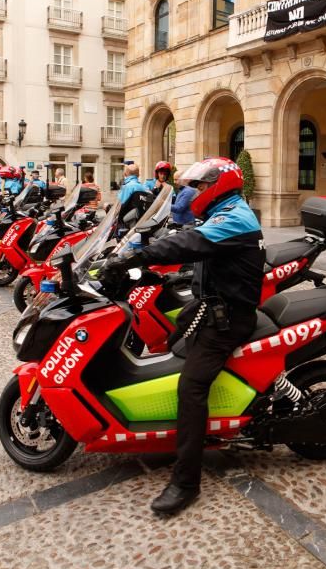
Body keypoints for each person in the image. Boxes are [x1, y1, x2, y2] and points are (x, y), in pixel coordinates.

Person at [102, 157, 265, 515]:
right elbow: (195, 248)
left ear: (219, 186)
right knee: (169, 343)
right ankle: (167, 432)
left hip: (228, 319)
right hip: (209, 306)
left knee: (190, 388)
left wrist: (134, 259)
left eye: (201, 186)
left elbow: (188, 243)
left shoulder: (233, 218)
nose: (195, 192)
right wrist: (154, 271)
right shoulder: (224, 212)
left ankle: (186, 482)